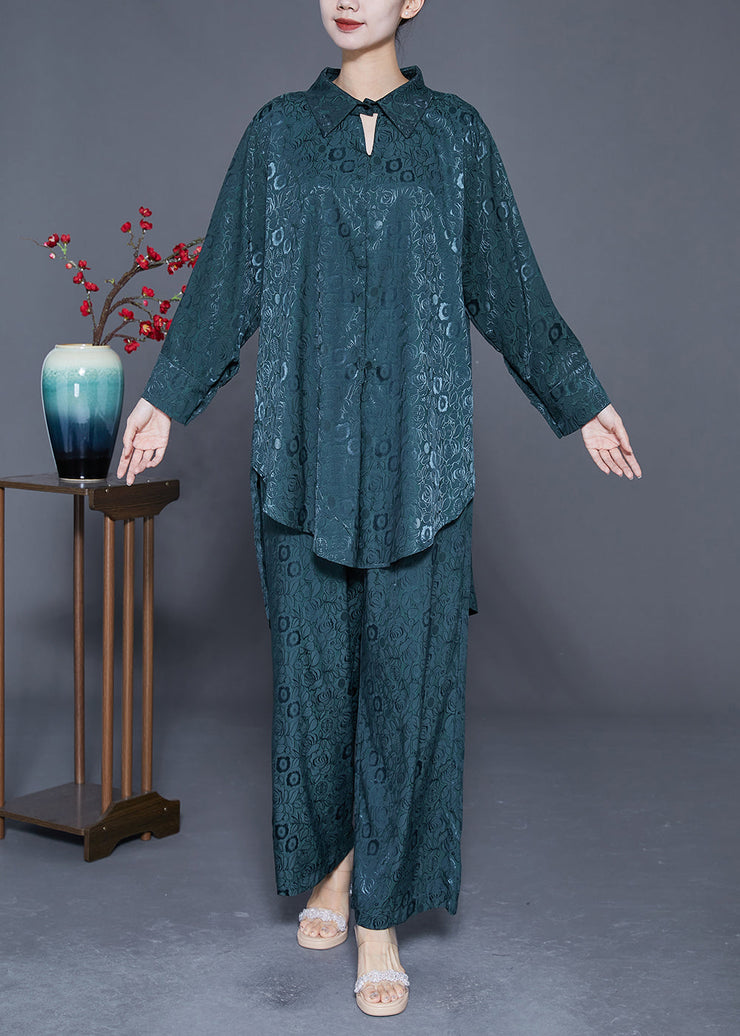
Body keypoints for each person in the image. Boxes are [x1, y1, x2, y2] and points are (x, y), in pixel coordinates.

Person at [116, 0, 642, 1017]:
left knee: (407, 689)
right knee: (315, 684)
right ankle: (332, 864)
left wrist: (581, 401)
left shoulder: (455, 137)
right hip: (303, 459)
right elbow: (226, 282)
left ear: (413, 0)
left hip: (421, 465)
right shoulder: (278, 134)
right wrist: (164, 400)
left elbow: (508, 286)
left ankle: (379, 919)